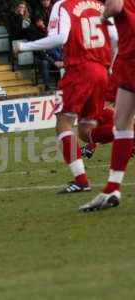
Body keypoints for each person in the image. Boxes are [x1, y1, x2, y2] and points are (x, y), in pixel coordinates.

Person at [15, 0, 118, 193]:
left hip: (79, 70)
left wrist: (25, 47)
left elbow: (61, 37)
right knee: (86, 130)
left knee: (63, 124)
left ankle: (81, 181)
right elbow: (115, 38)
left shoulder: (63, 5)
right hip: (101, 71)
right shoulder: (98, 5)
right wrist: (109, 65)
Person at [79, 0, 135, 212]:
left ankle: (112, 188)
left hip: (131, 56)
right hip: (128, 57)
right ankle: (112, 188)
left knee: (122, 125)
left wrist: (101, 18)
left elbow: (115, 6)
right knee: (121, 124)